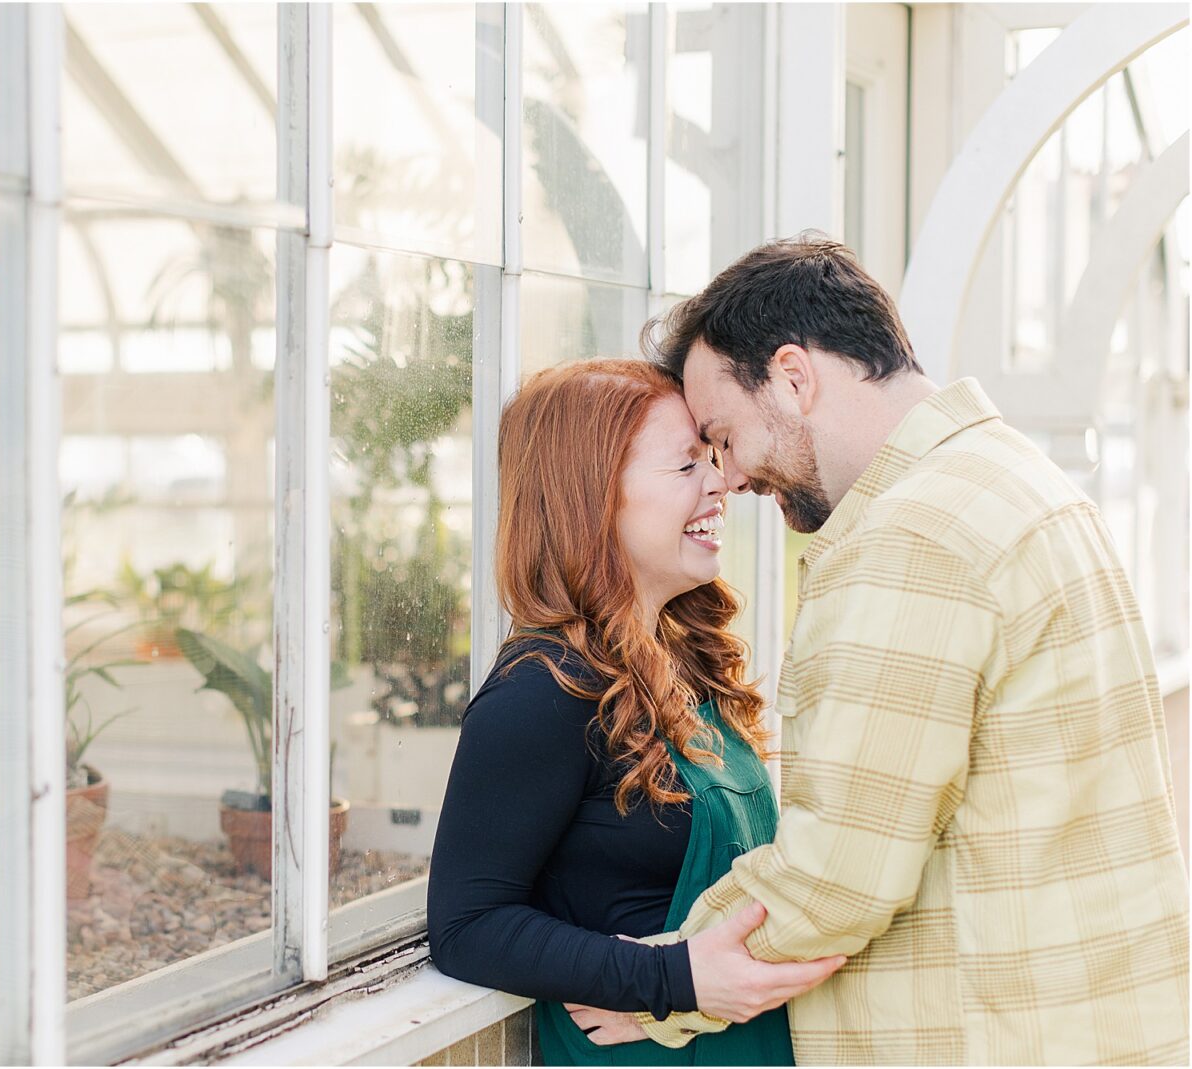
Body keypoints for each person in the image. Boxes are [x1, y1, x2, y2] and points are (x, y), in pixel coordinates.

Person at [571, 235, 1190, 1065]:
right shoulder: (1020, 481)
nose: (732, 477)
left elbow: (840, 874)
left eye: (723, 434)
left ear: (793, 376)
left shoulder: (909, 537)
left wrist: (660, 980)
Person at [426, 359, 844, 1066]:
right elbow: (468, 925)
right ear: (594, 499)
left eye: (712, 457)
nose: (721, 481)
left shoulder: (685, 663)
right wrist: (671, 981)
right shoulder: (541, 691)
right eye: (687, 465)